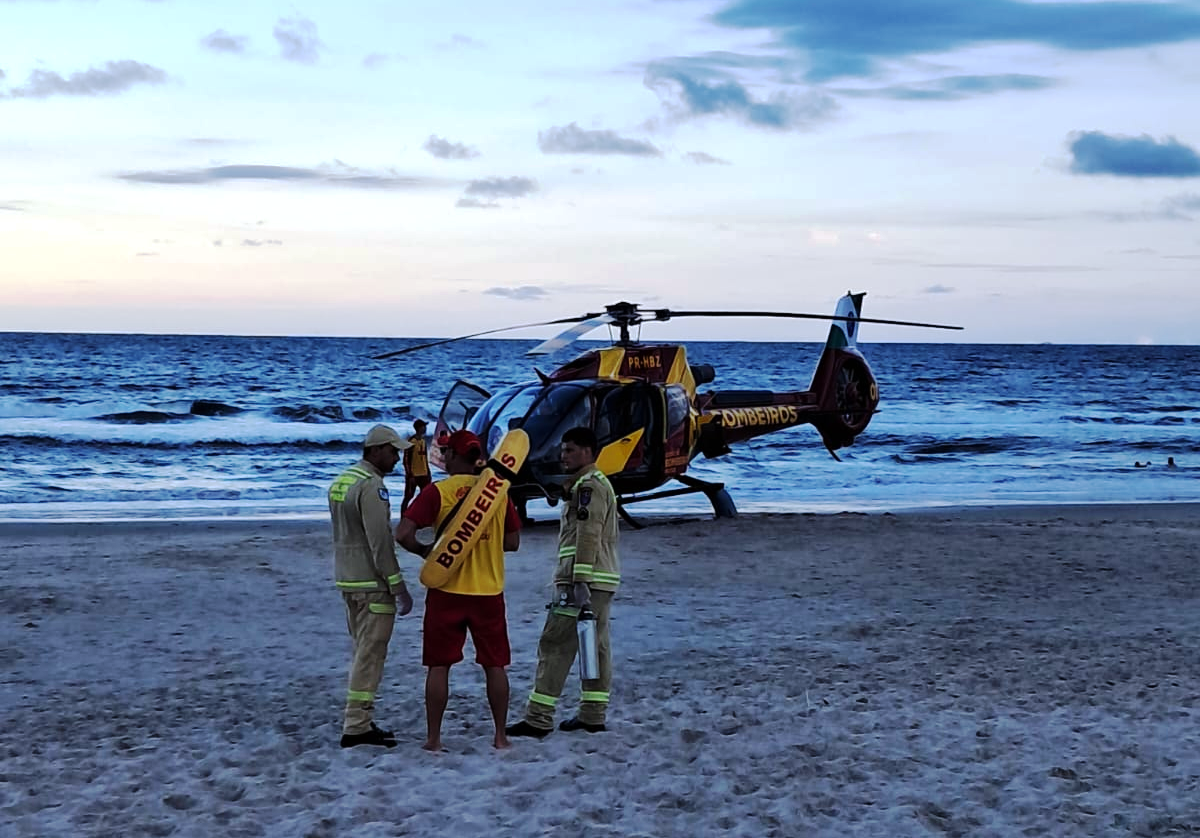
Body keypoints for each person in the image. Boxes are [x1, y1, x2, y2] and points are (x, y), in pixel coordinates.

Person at [395, 429, 522, 751]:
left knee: (439, 666)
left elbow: (403, 534)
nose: (443, 456)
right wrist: (483, 544)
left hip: (446, 590)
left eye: (446, 452)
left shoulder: (438, 492)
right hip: (488, 592)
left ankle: (434, 739)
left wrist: (426, 552)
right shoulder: (498, 493)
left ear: (453, 455)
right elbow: (512, 542)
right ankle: (500, 736)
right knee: (495, 665)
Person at [507, 426, 620, 739]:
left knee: (555, 644)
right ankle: (593, 714)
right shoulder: (597, 483)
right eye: (562, 450)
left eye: (569, 450)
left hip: (581, 581)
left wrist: (579, 579)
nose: (563, 456)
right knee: (596, 647)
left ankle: (538, 718)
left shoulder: (588, 487)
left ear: (587, 452)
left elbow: (588, 533)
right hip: (602, 579)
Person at [328, 424, 415, 748]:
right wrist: (398, 586)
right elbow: (380, 542)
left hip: (347, 579)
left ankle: (361, 720)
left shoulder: (343, 480)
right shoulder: (372, 486)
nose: (397, 459)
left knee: (361, 651)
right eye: (392, 452)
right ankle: (356, 725)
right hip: (372, 583)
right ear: (376, 450)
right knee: (370, 656)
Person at [401, 418, 431, 515]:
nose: (425, 428)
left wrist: (428, 472)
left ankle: (423, 515)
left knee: (425, 496)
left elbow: (425, 458)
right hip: (414, 474)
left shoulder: (423, 441)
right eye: (423, 426)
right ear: (419, 428)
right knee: (408, 496)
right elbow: (406, 460)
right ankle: (403, 515)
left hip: (424, 473)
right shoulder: (411, 442)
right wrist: (410, 475)